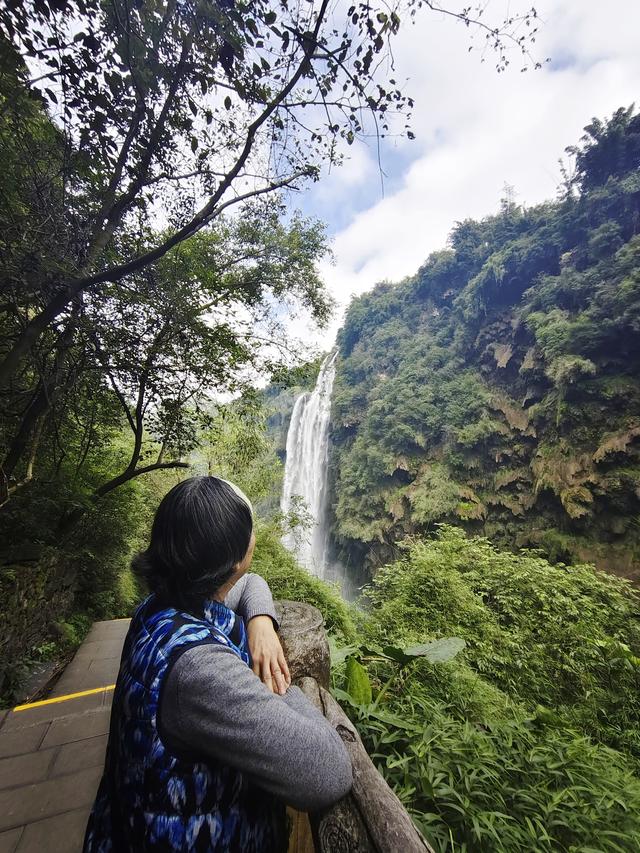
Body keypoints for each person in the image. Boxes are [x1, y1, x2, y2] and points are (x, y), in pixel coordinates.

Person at [83, 475, 353, 852]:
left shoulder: (161, 606)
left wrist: (260, 620)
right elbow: (329, 772)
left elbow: (249, 584)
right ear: (234, 559)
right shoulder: (203, 672)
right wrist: (275, 683)